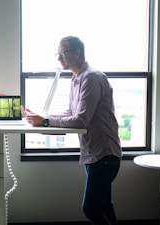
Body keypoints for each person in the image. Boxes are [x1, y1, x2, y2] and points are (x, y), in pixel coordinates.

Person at [21, 36, 122, 225]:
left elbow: (80, 121)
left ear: (77, 53)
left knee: (91, 208)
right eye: (57, 54)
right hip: (94, 153)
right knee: (104, 205)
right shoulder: (76, 79)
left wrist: (45, 122)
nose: (58, 58)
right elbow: (70, 113)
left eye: (62, 53)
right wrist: (42, 118)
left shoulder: (91, 78)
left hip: (104, 154)